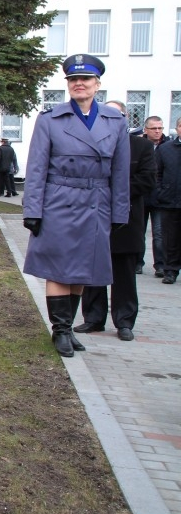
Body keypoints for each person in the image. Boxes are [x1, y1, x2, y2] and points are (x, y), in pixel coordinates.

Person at [22, 53, 130, 357]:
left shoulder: (116, 122)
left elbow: (121, 172)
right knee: (58, 269)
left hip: (96, 202)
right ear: (68, 85)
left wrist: (120, 212)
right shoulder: (50, 120)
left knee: (82, 270)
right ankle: (61, 331)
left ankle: (67, 328)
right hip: (59, 200)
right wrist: (33, 209)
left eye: (85, 80)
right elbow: (36, 168)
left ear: (97, 84)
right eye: (73, 80)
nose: (78, 84)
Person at [75, 102, 156, 341]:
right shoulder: (91, 144)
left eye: (117, 115)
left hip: (126, 221)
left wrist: (115, 192)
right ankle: (93, 318)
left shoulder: (141, 146)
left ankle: (124, 321)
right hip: (93, 218)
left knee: (124, 274)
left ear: (125, 118)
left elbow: (148, 180)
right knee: (92, 271)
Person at [138, 116, 168, 276]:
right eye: (154, 128)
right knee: (138, 231)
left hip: (159, 198)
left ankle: (160, 265)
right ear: (146, 130)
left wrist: (163, 192)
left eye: (160, 128)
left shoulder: (168, 146)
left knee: (159, 233)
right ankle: (137, 262)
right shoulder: (139, 145)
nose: (157, 131)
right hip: (141, 196)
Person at [155, 117, 181, 286]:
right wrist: (161, 191)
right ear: (177, 128)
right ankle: (170, 270)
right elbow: (156, 173)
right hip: (170, 201)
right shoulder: (165, 149)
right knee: (170, 239)